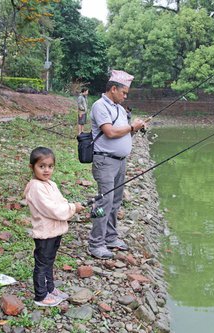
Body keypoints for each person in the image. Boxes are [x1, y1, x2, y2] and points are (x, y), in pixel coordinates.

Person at [88, 70, 146, 259]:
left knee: (116, 201)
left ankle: (110, 237)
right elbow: (110, 132)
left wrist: (136, 129)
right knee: (103, 201)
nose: (125, 96)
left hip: (120, 162)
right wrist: (131, 127)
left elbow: (125, 133)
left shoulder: (120, 109)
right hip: (105, 161)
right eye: (124, 92)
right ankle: (96, 243)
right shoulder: (99, 106)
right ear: (113, 89)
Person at [24, 147, 84, 306]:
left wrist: (71, 206)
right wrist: (72, 208)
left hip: (55, 232)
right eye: (41, 166)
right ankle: (41, 296)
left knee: (50, 262)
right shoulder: (36, 187)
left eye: (50, 166)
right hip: (44, 234)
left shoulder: (51, 184)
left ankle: (50, 288)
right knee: (42, 264)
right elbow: (53, 209)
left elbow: (60, 202)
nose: (46, 170)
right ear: (32, 167)